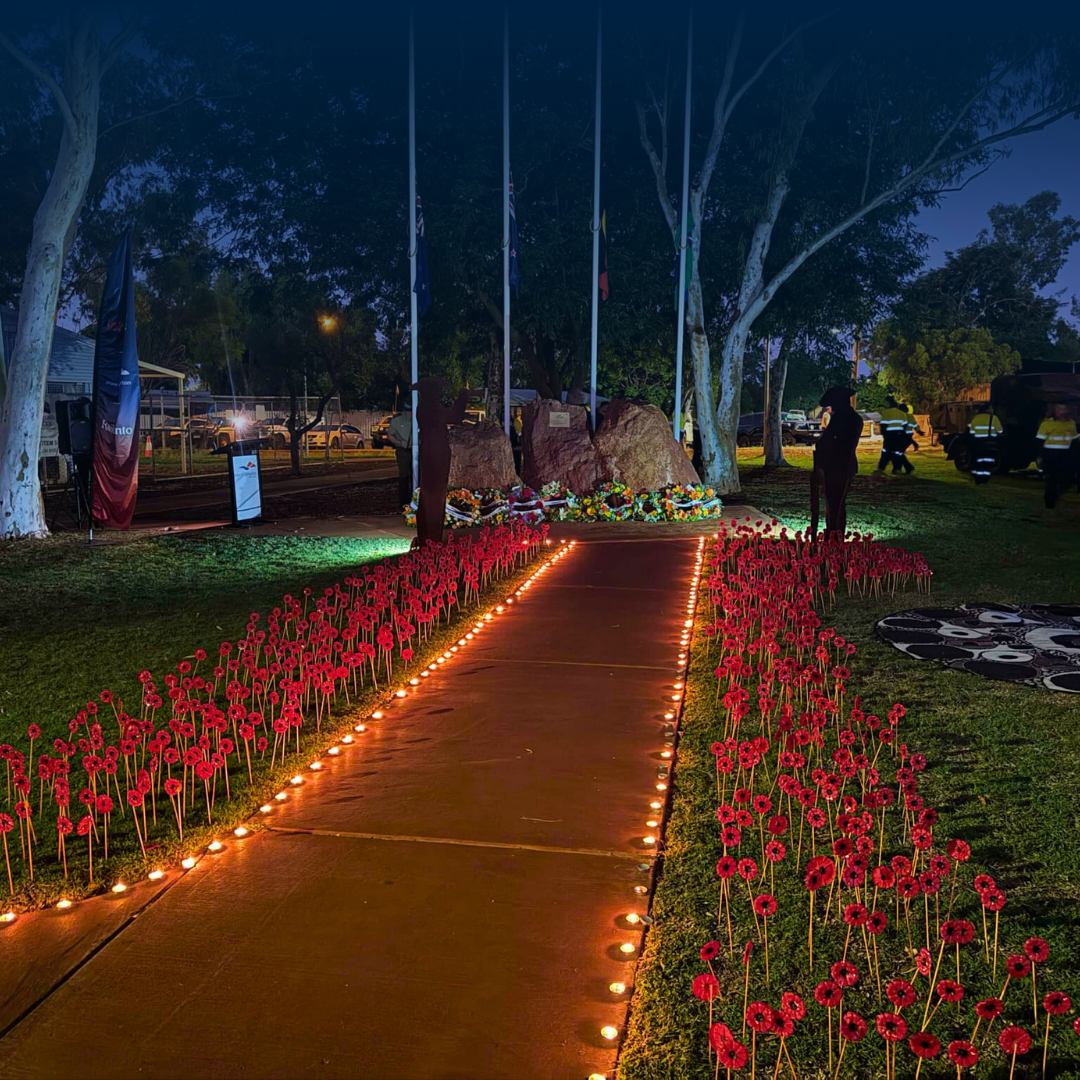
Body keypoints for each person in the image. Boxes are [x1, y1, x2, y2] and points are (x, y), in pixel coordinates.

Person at [412, 377, 468, 546]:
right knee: (435, 496)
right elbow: (456, 416)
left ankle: (427, 535)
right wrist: (463, 395)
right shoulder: (434, 409)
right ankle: (432, 537)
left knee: (429, 494)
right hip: (438, 455)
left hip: (428, 453)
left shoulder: (421, 408)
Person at [810, 386, 862, 540]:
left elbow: (829, 443)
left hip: (837, 466)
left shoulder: (843, 419)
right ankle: (835, 533)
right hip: (841, 465)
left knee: (834, 503)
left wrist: (822, 448)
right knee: (836, 503)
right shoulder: (851, 418)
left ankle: (833, 535)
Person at [1036, 403, 1078, 509]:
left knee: (1064, 478)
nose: (1061, 412)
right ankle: (1049, 500)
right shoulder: (1047, 424)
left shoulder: (1071, 423)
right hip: (1050, 454)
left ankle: (1055, 495)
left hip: (1064, 455)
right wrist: (1039, 457)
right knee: (1052, 478)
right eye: (1059, 409)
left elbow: (1073, 440)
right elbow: (1040, 441)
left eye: (1063, 409)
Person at [386, 402, 413, 511]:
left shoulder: (417, 420)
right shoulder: (397, 421)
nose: (409, 414)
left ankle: (417, 501)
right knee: (403, 477)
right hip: (402, 451)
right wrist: (399, 442)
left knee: (417, 477)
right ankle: (404, 504)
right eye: (408, 411)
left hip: (415, 451)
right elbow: (390, 435)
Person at [966, 406, 1003, 484]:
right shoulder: (993, 418)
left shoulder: (976, 418)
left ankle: (977, 478)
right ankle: (985, 479)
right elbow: (1000, 431)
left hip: (977, 442)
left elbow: (972, 432)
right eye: (991, 408)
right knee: (988, 461)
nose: (992, 409)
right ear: (988, 409)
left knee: (978, 460)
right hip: (989, 442)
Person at [875, 396, 910, 475]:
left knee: (885, 452)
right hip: (899, 435)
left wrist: (884, 435)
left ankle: (881, 468)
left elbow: (883, 425)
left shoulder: (887, 413)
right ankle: (897, 468)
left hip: (889, 436)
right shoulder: (901, 413)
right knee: (897, 453)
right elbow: (904, 425)